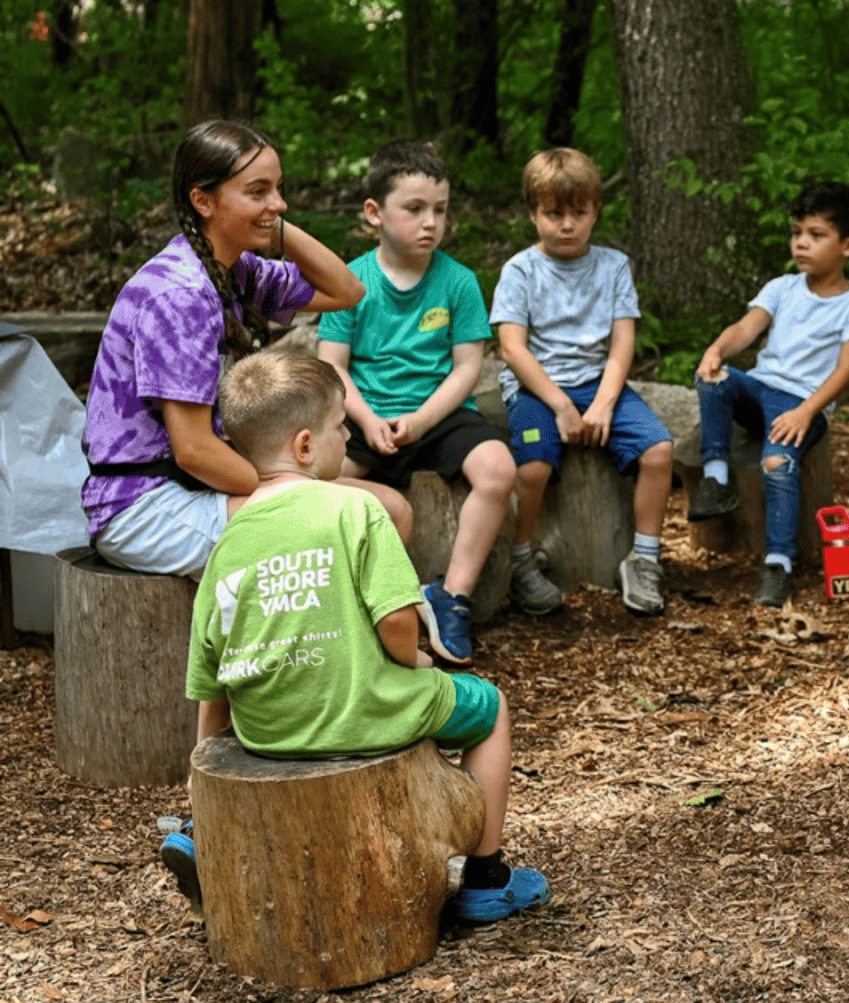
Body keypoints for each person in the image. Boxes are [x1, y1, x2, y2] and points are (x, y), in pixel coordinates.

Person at [158, 352, 547, 923]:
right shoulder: (355, 508)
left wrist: (203, 775)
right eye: (342, 425)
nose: (349, 437)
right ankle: (486, 879)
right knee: (490, 708)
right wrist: (414, 660)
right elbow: (396, 620)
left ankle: (204, 832)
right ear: (307, 446)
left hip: (268, 730)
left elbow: (209, 678)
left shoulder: (227, 540)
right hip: (361, 713)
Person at [81, 120, 406, 579]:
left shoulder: (237, 271)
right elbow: (193, 449)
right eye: (258, 191)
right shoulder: (179, 294)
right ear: (203, 200)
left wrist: (273, 224)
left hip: (199, 484)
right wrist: (289, 486)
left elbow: (347, 291)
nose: (279, 203)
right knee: (351, 522)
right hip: (145, 505)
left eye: (278, 189)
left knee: (388, 506)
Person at [318, 141, 516, 666]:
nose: (431, 222)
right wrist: (365, 418)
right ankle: (366, 599)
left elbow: (468, 367)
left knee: (497, 469)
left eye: (441, 210)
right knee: (309, 481)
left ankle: (451, 597)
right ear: (374, 213)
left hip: (440, 415)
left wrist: (423, 418)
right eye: (414, 209)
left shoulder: (457, 281)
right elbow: (332, 363)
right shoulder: (350, 280)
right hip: (366, 417)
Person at [494, 148, 675, 617]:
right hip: (538, 387)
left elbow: (621, 345)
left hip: (599, 383)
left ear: (596, 211)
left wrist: (603, 405)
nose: (567, 225)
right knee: (532, 468)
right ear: (534, 214)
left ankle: (645, 558)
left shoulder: (613, 266)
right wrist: (560, 405)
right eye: (554, 214)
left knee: (658, 451)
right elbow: (513, 349)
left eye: (579, 213)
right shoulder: (520, 271)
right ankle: (520, 560)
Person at [688, 182, 849, 606]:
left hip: (801, 403)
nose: (801, 244)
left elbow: (848, 368)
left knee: (776, 464)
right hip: (760, 389)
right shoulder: (782, 287)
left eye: (815, 235)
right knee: (715, 379)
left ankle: (778, 562)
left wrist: (808, 411)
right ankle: (716, 480)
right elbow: (746, 328)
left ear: (848, 246)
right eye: (796, 233)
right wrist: (717, 350)